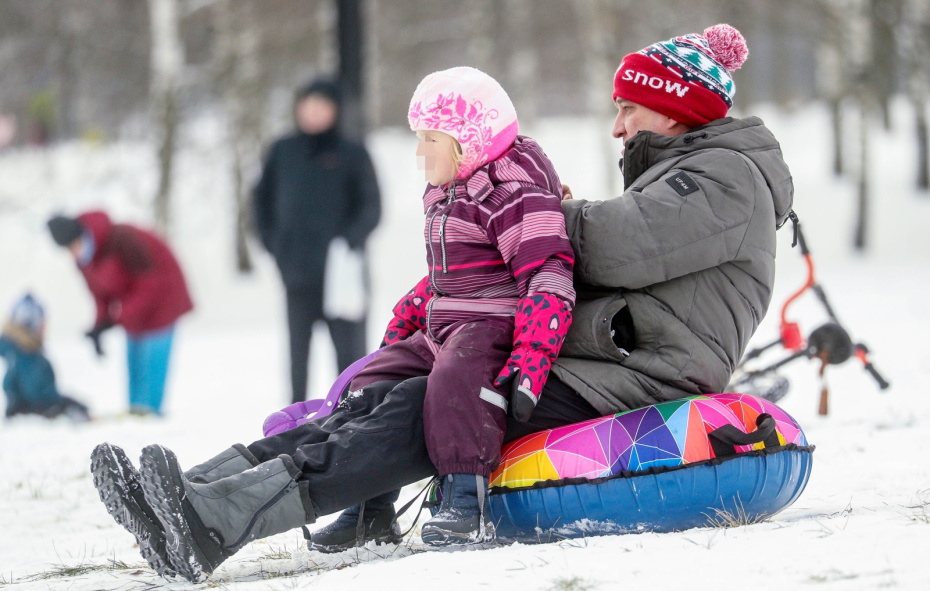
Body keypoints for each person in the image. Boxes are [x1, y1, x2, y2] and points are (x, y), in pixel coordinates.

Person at [91, 23, 794, 584]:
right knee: (373, 397)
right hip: (597, 353)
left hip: (636, 370)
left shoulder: (726, 177)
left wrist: (534, 209)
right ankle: (191, 494)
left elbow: (618, 250)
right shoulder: (686, 167)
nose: (617, 125)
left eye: (629, 107)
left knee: (418, 405)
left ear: (675, 111)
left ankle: (215, 520)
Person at [253, 77, 382, 404]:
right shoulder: (282, 151)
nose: (313, 113)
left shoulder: (352, 152)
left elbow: (371, 206)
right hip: (297, 272)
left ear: (335, 110)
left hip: (341, 276)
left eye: (321, 106)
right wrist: (275, 245)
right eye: (307, 104)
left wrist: (349, 242)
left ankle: (351, 414)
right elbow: (260, 202)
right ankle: (294, 421)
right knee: (298, 354)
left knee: (350, 356)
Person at [47, 211, 193, 416]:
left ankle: (151, 421)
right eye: (68, 249)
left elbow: (150, 281)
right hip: (134, 312)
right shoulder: (83, 259)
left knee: (151, 372)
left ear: (81, 235)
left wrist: (118, 317)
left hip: (163, 304)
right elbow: (100, 295)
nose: (73, 252)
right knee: (134, 373)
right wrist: (100, 324)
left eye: (73, 245)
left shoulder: (121, 238)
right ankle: (136, 419)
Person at [1, 293, 91, 421]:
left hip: (25, 419)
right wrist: (67, 405)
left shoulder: (17, 351)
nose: (44, 328)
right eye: (41, 323)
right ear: (30, 324)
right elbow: (40, 398)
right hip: (30, 422)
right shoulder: (25, 355)